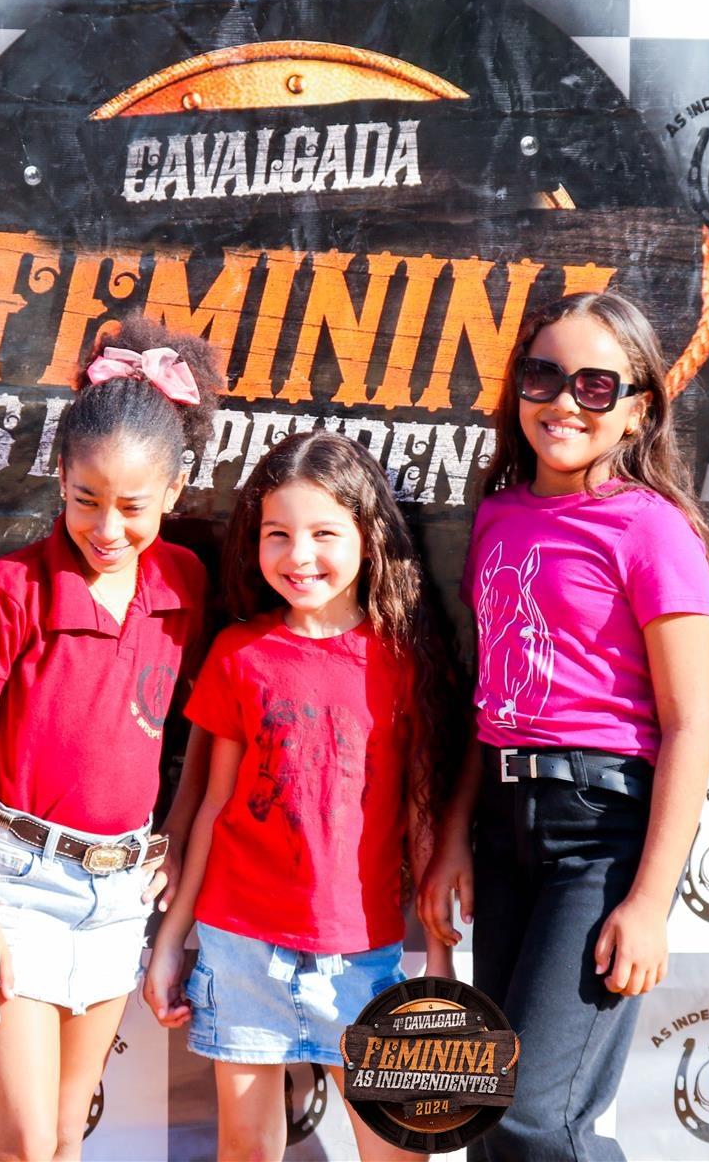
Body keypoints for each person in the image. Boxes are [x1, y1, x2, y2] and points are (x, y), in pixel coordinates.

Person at [419, 290, 709, 1160]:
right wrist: (453, 836)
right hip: (504, 828)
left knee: (536, 1119)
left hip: (600, 837)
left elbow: (693, 723)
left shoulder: (652, 530)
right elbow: (492, 695)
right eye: (544, 375)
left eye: (595, 385)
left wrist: (650, 902)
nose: (563, 401)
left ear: (638, 411)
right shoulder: (499, 515)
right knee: (489, 1113)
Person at [0, 318, 221, 1161]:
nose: (107, 528)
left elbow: (203, 723)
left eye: (133, 507)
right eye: (86, 499)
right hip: (16, 886)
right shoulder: (8, 589)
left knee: (65, 1136)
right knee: (23, 1140)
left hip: (120, 892)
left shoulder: (185, 582)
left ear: (174, 491)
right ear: (60, 475)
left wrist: (177, 827)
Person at [144, 430, 461, 1162]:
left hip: (364, 958)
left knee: (399, 1150)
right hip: (239, 950)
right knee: (247, 1151)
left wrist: (441, 960)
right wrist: (170, 942)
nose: (299, 556)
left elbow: (421, 814)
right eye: (278, 534)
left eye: (324, 533)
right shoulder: (239, 654)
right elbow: (214, 808)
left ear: (369, 537)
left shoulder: (403, 660)